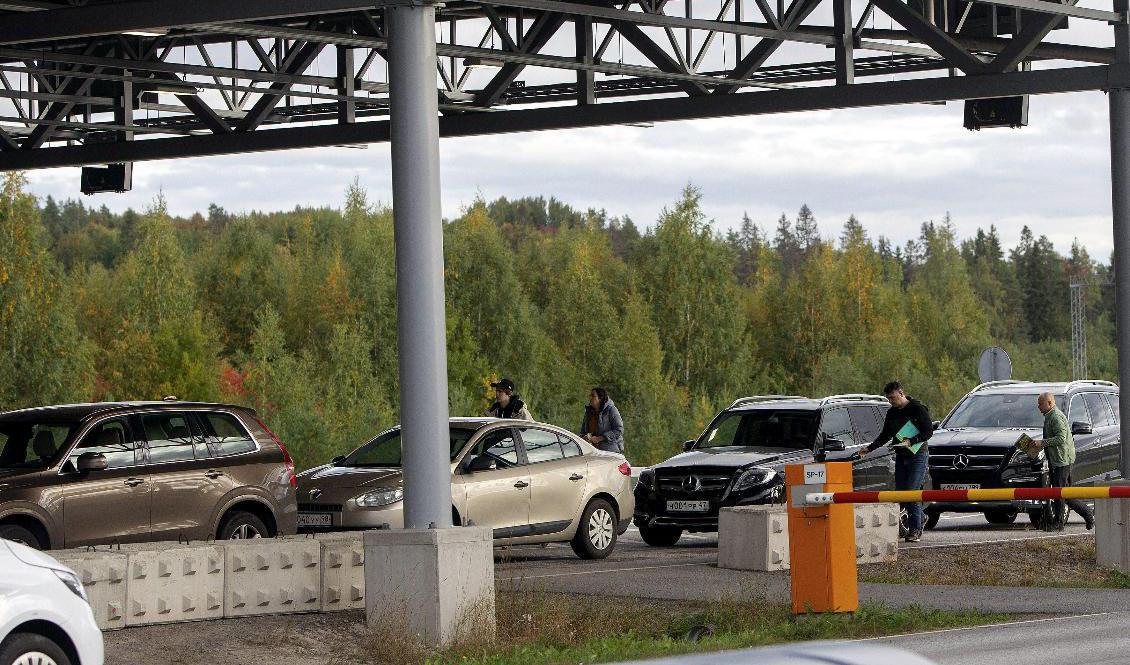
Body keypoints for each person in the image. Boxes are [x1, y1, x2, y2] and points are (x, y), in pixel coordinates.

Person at [860, 381, 934, 543]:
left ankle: (915, 530)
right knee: (901, 492)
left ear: (901, 393)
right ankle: (921, 517)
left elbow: (928, 431)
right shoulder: (892, 413)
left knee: (911, 491)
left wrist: (912, 440)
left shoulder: (917, 408)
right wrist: (870, 448)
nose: (891, 401)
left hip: (918, 454)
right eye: (889, 399)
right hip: (901, 455)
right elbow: (885, 434)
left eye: (893, 398)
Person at [1032, 392, 1094, 530]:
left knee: (1059, 493)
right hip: (1058, 459)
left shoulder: (1056, 417)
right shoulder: (1050, 416)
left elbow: (1061, 438)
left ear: (1049, 403)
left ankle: (1059, 523)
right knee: (1064, 493)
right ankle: (1086, 514)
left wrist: (1041, 443)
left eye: (1040, 404)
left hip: (1061, 460)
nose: (1038, 407)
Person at [580, 387, 625, 454]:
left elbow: (619, 430)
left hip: (611, 452)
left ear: (600, 398)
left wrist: (599, 438)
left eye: (593, 396)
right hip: (592, 452)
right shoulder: (589, 412)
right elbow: (583, 431)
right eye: (590, 395)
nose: (590, 398)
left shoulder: (611, 410)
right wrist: (584, 437)